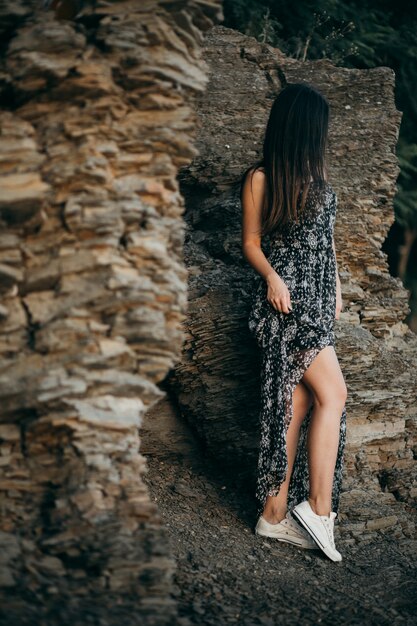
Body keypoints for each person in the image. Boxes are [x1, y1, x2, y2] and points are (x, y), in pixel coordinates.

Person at [241, 83, 348, 562]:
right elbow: (251, 242)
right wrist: (272, 279)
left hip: (318, 301)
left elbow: (326, 243)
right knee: (335, 394)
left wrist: (339, 288)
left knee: (298, 401)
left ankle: (274, 513)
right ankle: (320, 510)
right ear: (302, 127)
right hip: (285, 306)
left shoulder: (318, 177)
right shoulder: (261, 179)